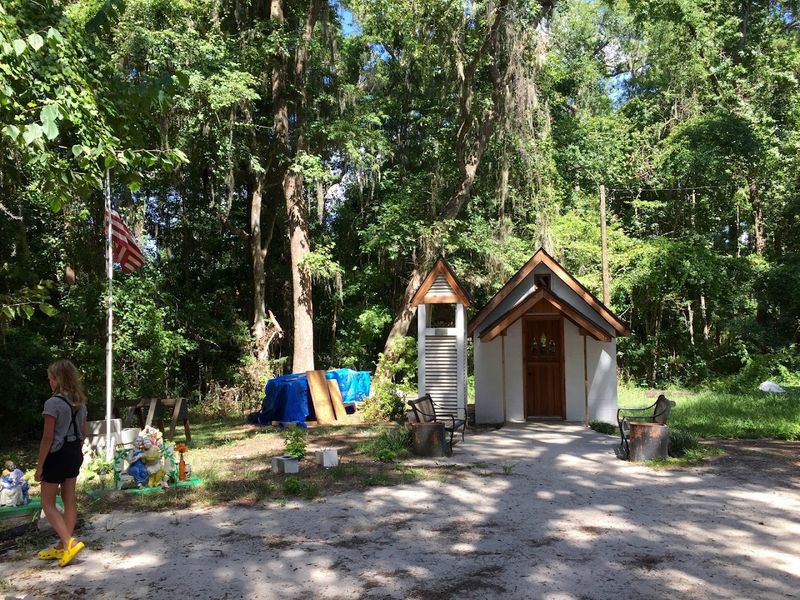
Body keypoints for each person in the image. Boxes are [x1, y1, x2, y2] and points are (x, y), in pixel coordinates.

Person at [34, 359, 87, 567]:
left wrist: (40, 466)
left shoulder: (52, 403)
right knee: (69, 499)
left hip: (56, 455)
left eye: (50, 379)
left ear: (57, 380)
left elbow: (47, 438)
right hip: (74, 452)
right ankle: (61, 546)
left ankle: (69, 542)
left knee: (47, 502)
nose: (49, 382)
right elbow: (84, 433)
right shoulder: (80, 402)